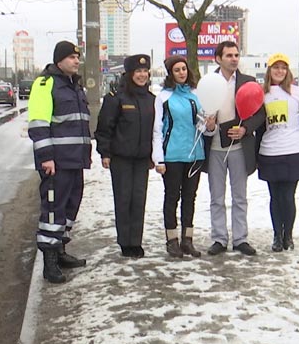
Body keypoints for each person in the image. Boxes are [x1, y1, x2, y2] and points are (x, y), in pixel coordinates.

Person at [28, 41, 92, 283]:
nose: (77, 61)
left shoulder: (75, 86)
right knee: (53, 212)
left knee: (70, 207)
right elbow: (38, 124)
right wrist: (47, 158)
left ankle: (61, 250)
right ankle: (50, 262)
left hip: (75, 161)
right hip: (56, 163)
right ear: (59, 60)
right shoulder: (45, 84)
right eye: (72, 57)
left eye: (78, 57)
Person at [255, 53, 299, 253]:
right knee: (274, 196)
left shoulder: (298, 93)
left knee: (288, 196)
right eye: (276, 67)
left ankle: (288, 235)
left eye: (283, 67)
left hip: (293, 150)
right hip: (270, 151)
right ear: (269, 70)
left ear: (288, 71)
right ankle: (277, 236)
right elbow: (259, 127)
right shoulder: (261, 93)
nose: (279, 71)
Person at [202, 41, 266, 256]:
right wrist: (208, 125)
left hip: (239, 146)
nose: (234, 58)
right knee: (216, 197)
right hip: (214, 148)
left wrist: (245, 129)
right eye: (229, 55)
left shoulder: (248, 82)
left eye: (236, 55)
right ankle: (219, 238)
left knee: (240, 196)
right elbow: (200, 114)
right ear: (218, 58)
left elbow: (259, 113)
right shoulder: (208, 82)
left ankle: (240, 239)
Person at [96, 54, 156, 258]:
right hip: (120, 158)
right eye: (137, 71)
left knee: (138, 200)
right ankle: (125, 242)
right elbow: (104, 128)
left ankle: (136, 241)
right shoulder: (116, 98)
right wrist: (105, 152)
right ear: (129, 74)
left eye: (145, 71)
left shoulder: (151, 100)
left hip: (141, 159)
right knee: (123, 200)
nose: (142, 75)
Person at [152, 56, 213, 258]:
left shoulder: (196, 95)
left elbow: (201, 125)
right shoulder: (163, 97)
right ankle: (172, 240)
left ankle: (188, 240)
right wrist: (158, 159)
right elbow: (157, 129)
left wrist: (209, 125)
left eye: (184, 69)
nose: (181, 73)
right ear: (170, 73)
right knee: (172, 197)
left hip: (195, 154)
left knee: (190, 197)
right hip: (172, 155)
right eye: (177, 70)